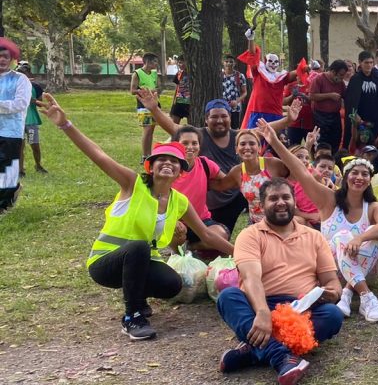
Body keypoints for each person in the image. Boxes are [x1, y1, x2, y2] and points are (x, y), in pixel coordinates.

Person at [39, 95, 233, 338]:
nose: (168, 164)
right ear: (150, 166)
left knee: (172, 284)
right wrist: (66, 125)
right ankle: (132, 316)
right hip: (105, 262)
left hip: (141, 261)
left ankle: (138, 297)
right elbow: (99, 155)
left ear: (181, 172)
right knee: (139, 247)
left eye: (174, 162)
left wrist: (242, 253)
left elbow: (206, 234)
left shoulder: (178, 200)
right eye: (161, 159)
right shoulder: (133, 183)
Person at [257, 123, 378, 323]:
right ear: (345, 177)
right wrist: (275, 142)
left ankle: (348, 292)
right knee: (342, 236)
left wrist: (360, 238)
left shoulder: (372, 207)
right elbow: (301, 172)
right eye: (354, 173)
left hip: (366, 269)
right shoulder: (329, 199)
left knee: (375, 230)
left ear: (369, 180)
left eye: (365, 174)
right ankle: (365, 296)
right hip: (331, 273)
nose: (359, 177)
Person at [216, 178, 343, 385]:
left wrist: (333, 292)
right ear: (262, 205)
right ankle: (282, 357)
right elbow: (251, 278)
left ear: (294, 201)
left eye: (286, 197)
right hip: (259, 304)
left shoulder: (315, 237)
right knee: (228, 297)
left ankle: (253, 351)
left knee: (332, 315)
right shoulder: (249, 235)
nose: (281, 202)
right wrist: (262, 312)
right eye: (273, 198)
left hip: (300, 309)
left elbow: (331, 281)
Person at [141, 90, 296, 235]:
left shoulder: (238, 137)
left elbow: (263, 130)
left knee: (220, 237)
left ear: (230, 118)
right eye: (214, 117)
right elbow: (174, 128)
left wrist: (288, 120)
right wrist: (154, 109)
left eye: (224, 116)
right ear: (206, 119)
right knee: (208, 240)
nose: (220, 120)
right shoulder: (198, 136)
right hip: (210, 202)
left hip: (233, 198)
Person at [167, 125, 231, 253]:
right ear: (176, 145)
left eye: (194, 143)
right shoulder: (169, 168)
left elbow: (226, 180)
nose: (190, 147)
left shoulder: (205, 164)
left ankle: (191, 247)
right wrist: (171, 220)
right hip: (177, 221)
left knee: (221, 234)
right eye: (185, 143)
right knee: (176, 232)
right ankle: (177, 250)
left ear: (199, 146)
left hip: (202, 220)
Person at [215, 129, 292, 225]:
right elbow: (220, 185)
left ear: (259, 148)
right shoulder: (237, 172)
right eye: (242, 144)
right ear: (236, 149)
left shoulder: (272, 164)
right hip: (255, 223)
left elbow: (296, 172)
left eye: (252, 143)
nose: (247, 147)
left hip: (280, 222)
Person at [237, 28, 298, 128]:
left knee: (274, 137)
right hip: (258, 112)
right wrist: (251, 39)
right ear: (265, 62)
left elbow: (296, 73)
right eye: (270, 61)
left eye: (276, 62)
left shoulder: (281, 77)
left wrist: (307, 67)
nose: (273, 64)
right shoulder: (259, 72)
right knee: (255, 136)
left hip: (275, 114)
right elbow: (253, 55)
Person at [0, 38, 31, 213]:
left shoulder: (20, 79)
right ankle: (12, 190)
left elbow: (20, 104)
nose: (2, 60)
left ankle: (4, 205)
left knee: (7, 168)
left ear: (11, 59)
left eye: (5, 56)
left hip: (11, 131)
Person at [345, 51, 378, 152]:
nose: (369, 65)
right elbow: (350, 100)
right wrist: (354, 114)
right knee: (362, 145)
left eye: (371, 62)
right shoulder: (355, 79)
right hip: (362, 118)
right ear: (360, 62)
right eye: (366, 62)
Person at [309, 59, 347, 154]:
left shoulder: (341, 83)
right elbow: (312, 96)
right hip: (320, 116)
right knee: (321, 142)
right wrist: (329, 95)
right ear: (333, 72)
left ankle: (333, 158)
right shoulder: (319, 79)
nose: (342, 78)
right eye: (340, 75)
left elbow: (346, 96)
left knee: (335, 140)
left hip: (335, 116)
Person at [130, 52, 161, 163]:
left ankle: (149, 154)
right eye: (155, 62)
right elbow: (132, 90)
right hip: (143, 105)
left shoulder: (154, 74)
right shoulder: (137, 73)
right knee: (147, 130)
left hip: (155, 104)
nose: (156, 64)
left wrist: (155, 90)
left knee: (151, 130)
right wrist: (144, 91)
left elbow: (159, 87)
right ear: (148, 62)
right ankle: (144, 156)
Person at [16, 62, 46, 175]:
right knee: (20, 146)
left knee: (34, 145)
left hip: (31, 121)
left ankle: (38, 165)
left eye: (24, 72)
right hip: (17, 121)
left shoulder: (36, 86)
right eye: (19, 72)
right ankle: (20, 170)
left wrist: (32, 100)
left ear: (29, 73)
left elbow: (40, 103)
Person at [221, 54, 248, 130]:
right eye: (226, 61)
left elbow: (245, 92)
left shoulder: (239, 76)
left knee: (234, 128)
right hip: (222, 106)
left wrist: (237, 101)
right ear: (223, 62)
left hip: (235, 107)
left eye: (231, 62)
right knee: (222, 127)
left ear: (234, 63)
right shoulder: (219, 75)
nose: (229, 63)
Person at [169, 60, 191, 125]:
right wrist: (173, 102)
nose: (180, 64)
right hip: (179, 102)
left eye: (182, 62)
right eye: (179, 62)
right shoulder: (179, 74)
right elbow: (177, 88)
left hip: (190, 103)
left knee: (191, 126)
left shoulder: (194, 74)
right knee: (174, 124)